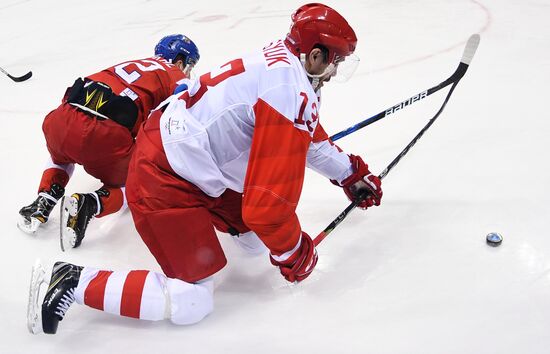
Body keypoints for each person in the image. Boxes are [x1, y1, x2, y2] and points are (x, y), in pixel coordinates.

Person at [26, 3, 383, 334]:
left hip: (192, 159)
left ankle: (190, 222)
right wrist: (293, 251)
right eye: (335, 61)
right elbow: (268, 206)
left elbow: (307, 136)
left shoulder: (287, 66)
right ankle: (70, 280)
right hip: (164, 172)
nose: (336, 72)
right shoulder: (288, 88)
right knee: (191, 300)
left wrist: (348, 173)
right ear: (316, 55)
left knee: (257, 245)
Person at [17, 34, 200, 251]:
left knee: (61, 153)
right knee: (135, 183)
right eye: (189, 64)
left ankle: (44, 198)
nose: (188, 70)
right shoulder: (176, 75)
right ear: (180, 60)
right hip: (105, 133)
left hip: (61, 119)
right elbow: (184, 117)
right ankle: (90, 204)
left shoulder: (134, 63)